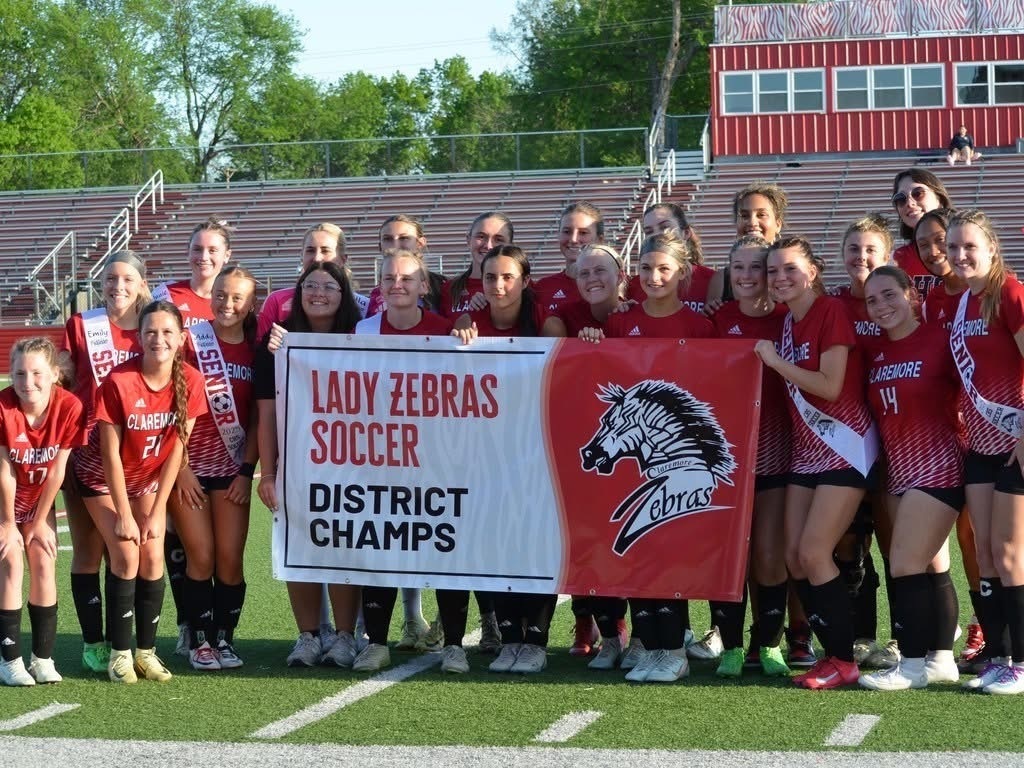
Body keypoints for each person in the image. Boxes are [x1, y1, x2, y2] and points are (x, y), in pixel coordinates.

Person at [580, 231, 716, 683]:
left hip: (679, 465)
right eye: (645, 268)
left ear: (683, 273)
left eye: (664, 269)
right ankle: (652, 645)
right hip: (635, 466)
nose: (654, 277)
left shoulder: (699, 326)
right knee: (638, 552)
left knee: (669, 551)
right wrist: (593, 340)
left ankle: (674, 648)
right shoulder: (622, 322)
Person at [754, 235, 878, 690]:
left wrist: (774, 362)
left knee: (812, 552)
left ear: (813, 270)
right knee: (794, 557)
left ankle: (843, 658)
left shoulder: (831, 311)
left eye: (790, 268)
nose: (780, 277)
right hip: (805, 454)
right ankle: (831, 654)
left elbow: (829, 385)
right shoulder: (788, 322)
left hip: (844, 448)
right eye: (773, 271)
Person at [73, 300, 207, 684]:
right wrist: (125, 514)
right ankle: (119, 654)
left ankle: (146, 653)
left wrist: (157, 510)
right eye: (150, 332)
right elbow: (109, 456)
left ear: (181, 338)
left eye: (167, 332)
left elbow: (177, 452)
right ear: (139, 336)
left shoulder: (192, 381)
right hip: (101, 477)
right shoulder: (119, 381)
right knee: (126, 552)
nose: (158, 339)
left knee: (152, 555)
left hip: (147, 479)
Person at [856, 266, 963, 690]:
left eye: (889, 295)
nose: (881, 305)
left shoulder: (941, 339)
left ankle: (912, 665)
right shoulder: (875, 351)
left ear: (911, 295)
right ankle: (941, 659)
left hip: (939, 465)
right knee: (934, 564)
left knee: (904, 563)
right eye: (872, 300)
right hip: (898, 470)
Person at [256, 261, 365, 668]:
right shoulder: (277, 343)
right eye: (310, 285)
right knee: (298, 545)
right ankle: (308, 635)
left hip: (350, 464)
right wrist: (269, 473)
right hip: (297, 464)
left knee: (343, 547)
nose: (319, 293)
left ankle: (345, 636)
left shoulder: (361, 338)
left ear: (344, 295)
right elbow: (266, 413)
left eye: (329, 286)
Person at [350, 249, 455, 673]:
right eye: (389, 278)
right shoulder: (365, 330)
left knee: (445, 547)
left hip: (436, 460)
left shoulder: (446, 331)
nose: (397, 285)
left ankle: (453, 643)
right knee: (381, 547)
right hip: (382, 457)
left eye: (407, 278)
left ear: (423, 285)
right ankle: (377, 641)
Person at [452, 245, 554, 674]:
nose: (499, 285)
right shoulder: (469, 323)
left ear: (525, 281)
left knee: (536, 546)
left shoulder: (545, 322)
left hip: (539, 451)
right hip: (486, 454)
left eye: (508, 277)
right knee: (498, 544)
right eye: (491, 277)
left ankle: (536, 643)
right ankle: (511, 638)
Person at [542, 243, 632, 669]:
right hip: (585, 441)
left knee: (632, 538)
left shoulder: (636, 315)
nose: (592, 278)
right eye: (584, 273)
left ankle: (652, 632)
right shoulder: (564, 317)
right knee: (588, 537)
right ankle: (605, 628)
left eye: (601, 271)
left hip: (634, 450)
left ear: (621, 275)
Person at [59, 250, 149, 674]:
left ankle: (122, 642)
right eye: (111, 279)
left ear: (142, 284)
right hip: (86, 453)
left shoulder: (151, 329)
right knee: (88, 550)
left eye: (127, 279)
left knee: (127, 551)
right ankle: (93, 643)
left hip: (138, 455)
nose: (118, 286)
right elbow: (63, 383)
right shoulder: (82, 325)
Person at [946, 210, 1024, 694]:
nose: (960, 255)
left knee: (1011, 554)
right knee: (986, 554)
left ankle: (1022, 664)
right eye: (953, 247)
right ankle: (1000, 656)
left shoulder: (1010, 293)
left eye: (970, 246)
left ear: (991, 248)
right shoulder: (962, 304)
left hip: (1015, 444)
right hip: (979, 445)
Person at [709, 236, 791, 679]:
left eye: (755, 267)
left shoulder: (788, 318)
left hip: (777, 450)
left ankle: (771, 644)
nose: (745, 275)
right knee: (727, 556)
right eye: (737, 267)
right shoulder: (715, 320)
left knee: (768, 554)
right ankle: (732, 647)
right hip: (726, 458)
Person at [173, 266, 259, 671]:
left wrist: (247, 471)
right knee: (201, 557)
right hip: (188, 470)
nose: (228, 303)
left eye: (238, 297)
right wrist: (180, 467)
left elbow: (259, 418)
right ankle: (199, 641)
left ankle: (224, 638)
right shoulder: (191, 341)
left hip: (231, 471)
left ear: (251, 304)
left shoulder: (256, 349)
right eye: (221, 294)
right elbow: (171, 404)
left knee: (229, 560)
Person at [915, 209, 988, 670]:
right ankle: (953, 630)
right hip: (943, 431)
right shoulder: (931, 300)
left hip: (987, 429)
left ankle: (989, 627)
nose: (934, 250)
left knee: (977, 537)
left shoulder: (992, 292)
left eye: (940, 239)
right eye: (923, 244)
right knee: (943, 539)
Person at [829, 215, 896, 670]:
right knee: (849, 545)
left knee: (898, 546)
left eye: (871, 249)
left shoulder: (898, 303)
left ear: (887, 255)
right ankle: (860, 635)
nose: (862, 257)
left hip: (896, 441)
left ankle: (906, 638)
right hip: (847, 443)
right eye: (854, 248)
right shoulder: (831, 305)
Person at [0, 338, 86, 686]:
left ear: (54, 373)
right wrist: (8, 523)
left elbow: (57, 471)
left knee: (44, 560)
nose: (28, 382)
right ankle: (10, 661)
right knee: (11, 563)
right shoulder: (3, 407)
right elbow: (4, 471)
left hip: (38, 500)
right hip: (4, 501)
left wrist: (38, 522)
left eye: (37, 373)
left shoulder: (70, 406)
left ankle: (42, 659)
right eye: (20, 374)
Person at [256, 222, 370, 340]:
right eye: (310, 250)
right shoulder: (276, 301)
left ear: (343, 259)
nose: (317, 258)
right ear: (302, 256)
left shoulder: (365, 307)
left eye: (325, 251)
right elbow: (261, 347)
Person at [705, 182, 788, 306]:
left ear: (778, 224)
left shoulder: (792, 274)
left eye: (761, 215)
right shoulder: (722, 280)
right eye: (744, 216)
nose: (752, 222)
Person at [627, 203, 715, 313]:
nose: (657, 235)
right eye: (649, 232)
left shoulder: (713, 281)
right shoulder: (635, 286)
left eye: (665, 227)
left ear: (686, 233)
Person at [890, 168, 953, 297]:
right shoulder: (896, 260)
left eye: (918, 193)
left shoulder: (966, 249)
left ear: (940, 199)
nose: (909, 203)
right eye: (901, 199)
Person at [533, 202, 604, 315]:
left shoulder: (613, 285)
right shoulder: (542, 288)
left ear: (600, 240)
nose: (573, 239)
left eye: (583, 232)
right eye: (567, 232)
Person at [441, 212, 514, 317]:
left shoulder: (519, 287)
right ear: (468, 240)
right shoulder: (448, 289)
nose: (488, 246)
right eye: (481, 237)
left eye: (498, 239)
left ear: (510, 245)